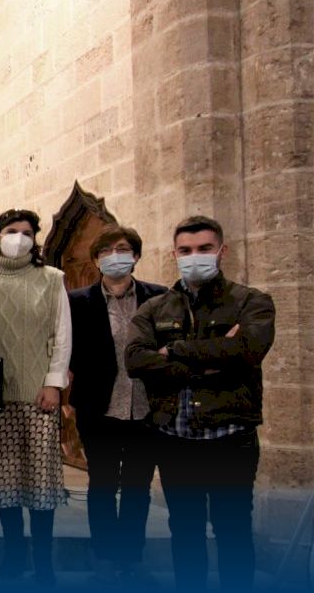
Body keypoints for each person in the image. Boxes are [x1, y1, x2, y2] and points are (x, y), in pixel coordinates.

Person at [127, 216, 275, 592]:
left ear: (222, 251)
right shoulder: (154, 308)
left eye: (204, 248)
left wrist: (174, 350)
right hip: (175, 439)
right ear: (174, 255)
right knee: (185, 529)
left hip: (231, 437)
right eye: (186, 250)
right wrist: (210, 360)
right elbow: (135, 360)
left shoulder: (251, 301)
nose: (195, 257)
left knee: (233, 529)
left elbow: (248, 350)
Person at [0, 209, 71, 586]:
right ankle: (13, 552)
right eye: (12, 230)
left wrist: (54, 383)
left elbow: (62, 336)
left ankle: (43, 561)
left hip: (39, 396)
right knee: (4, 482)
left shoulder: (52, 279)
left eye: (27, 232)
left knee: (40, 483)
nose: (19, 237)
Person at [67, 224, 166, 585]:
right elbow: (66, 350)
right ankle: (105, 556)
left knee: (138, 486)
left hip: (145, 406)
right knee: (103, 484)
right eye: (106, 251)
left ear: (136, 255)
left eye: (122, 249)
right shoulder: (77, 301)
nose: (114, 257)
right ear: (96, 260)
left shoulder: (159, 297)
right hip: (99, 406)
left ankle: (132, 557)